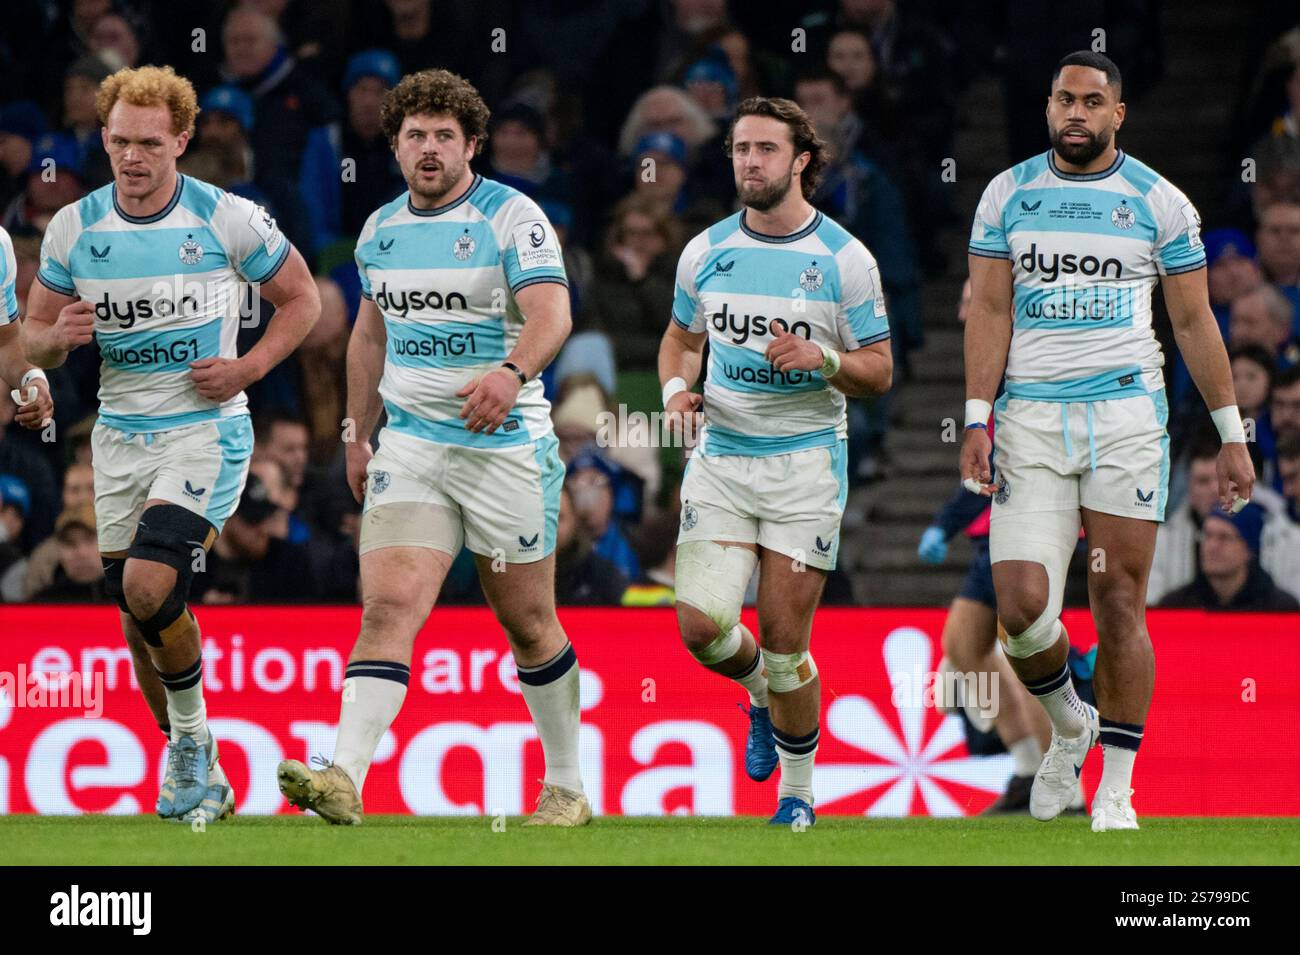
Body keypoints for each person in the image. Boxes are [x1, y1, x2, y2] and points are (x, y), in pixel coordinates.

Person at [275, 69, 589, 828]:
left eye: (445, 135)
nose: (429, 147)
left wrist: (513, 374)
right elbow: (369, 333)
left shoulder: (513, 217)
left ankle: (567, 786)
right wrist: (357, 431)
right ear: (394, 145)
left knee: (528, 622)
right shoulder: (380, 229)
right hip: (412, 446)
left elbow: (553, 312)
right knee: (386, 608)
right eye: (414, 134)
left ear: (472, 144)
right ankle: (343, 777)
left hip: (504, 448)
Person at [961, 52, 1255, 833]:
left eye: (1093, 101)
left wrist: (1230, 433)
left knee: (1119, 599)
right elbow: (989, 312)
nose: (1076, 113)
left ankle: (1117, 788)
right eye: (1065, 99)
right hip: (1028, 420)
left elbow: (1193, 322)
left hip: (1125, 420)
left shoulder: (1158, 201)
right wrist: (976, 415)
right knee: (1022, 611)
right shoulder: (1006, 195)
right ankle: (1069, 723)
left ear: (1118, 113)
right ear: (1048, 105)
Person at [22, 65, 320, 824]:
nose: (132, 156)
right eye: (119, 140)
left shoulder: (229, 218)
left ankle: (189, 746)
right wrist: (54, 342)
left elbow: (304, 299)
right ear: (104, 137)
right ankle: (197, 759)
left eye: (150, 143)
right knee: (137, 614)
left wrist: (248, 366)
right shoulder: (74, 228)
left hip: (204, 429)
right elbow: (31, 340)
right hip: (119, 435)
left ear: (181, 140)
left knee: (148, 589)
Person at [658, 95, 893, 826]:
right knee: (700, 626)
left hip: (804, 466)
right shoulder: (704, 250)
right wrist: (675, 392)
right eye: (739, 149)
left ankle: (798, 794)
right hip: (723, 457)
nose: (750, 161)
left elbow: (880, 369)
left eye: (765, 149)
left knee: (789, 644)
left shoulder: (845, 260)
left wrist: (823, 358)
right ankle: (759, 693)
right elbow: (679, 340)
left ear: (801, 161)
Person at [1158, 503, 1299, 610]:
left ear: (1249, 549)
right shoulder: (1176, 606)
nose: (1211, 546)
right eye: (1207, 536)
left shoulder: (1280, 610)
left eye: (1224, 537)